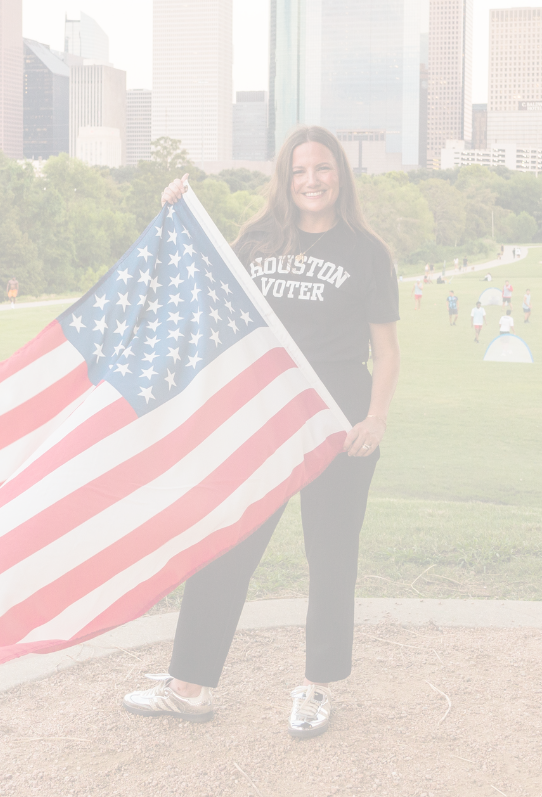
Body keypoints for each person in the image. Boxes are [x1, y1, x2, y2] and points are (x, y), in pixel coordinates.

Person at [123, 126, 400, 739]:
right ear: (285, 177)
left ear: (340, 175)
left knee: (330, 553)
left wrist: (375, 417)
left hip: (338, 415)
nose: (311, 180)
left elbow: (386, 350)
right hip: (267, 411)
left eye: (322, 169)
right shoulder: (257, 240)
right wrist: (178, 210)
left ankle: (317, 687)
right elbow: (208, 282)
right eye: (300, 170)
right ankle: (190, 687)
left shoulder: (367, 252)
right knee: (227, 539)